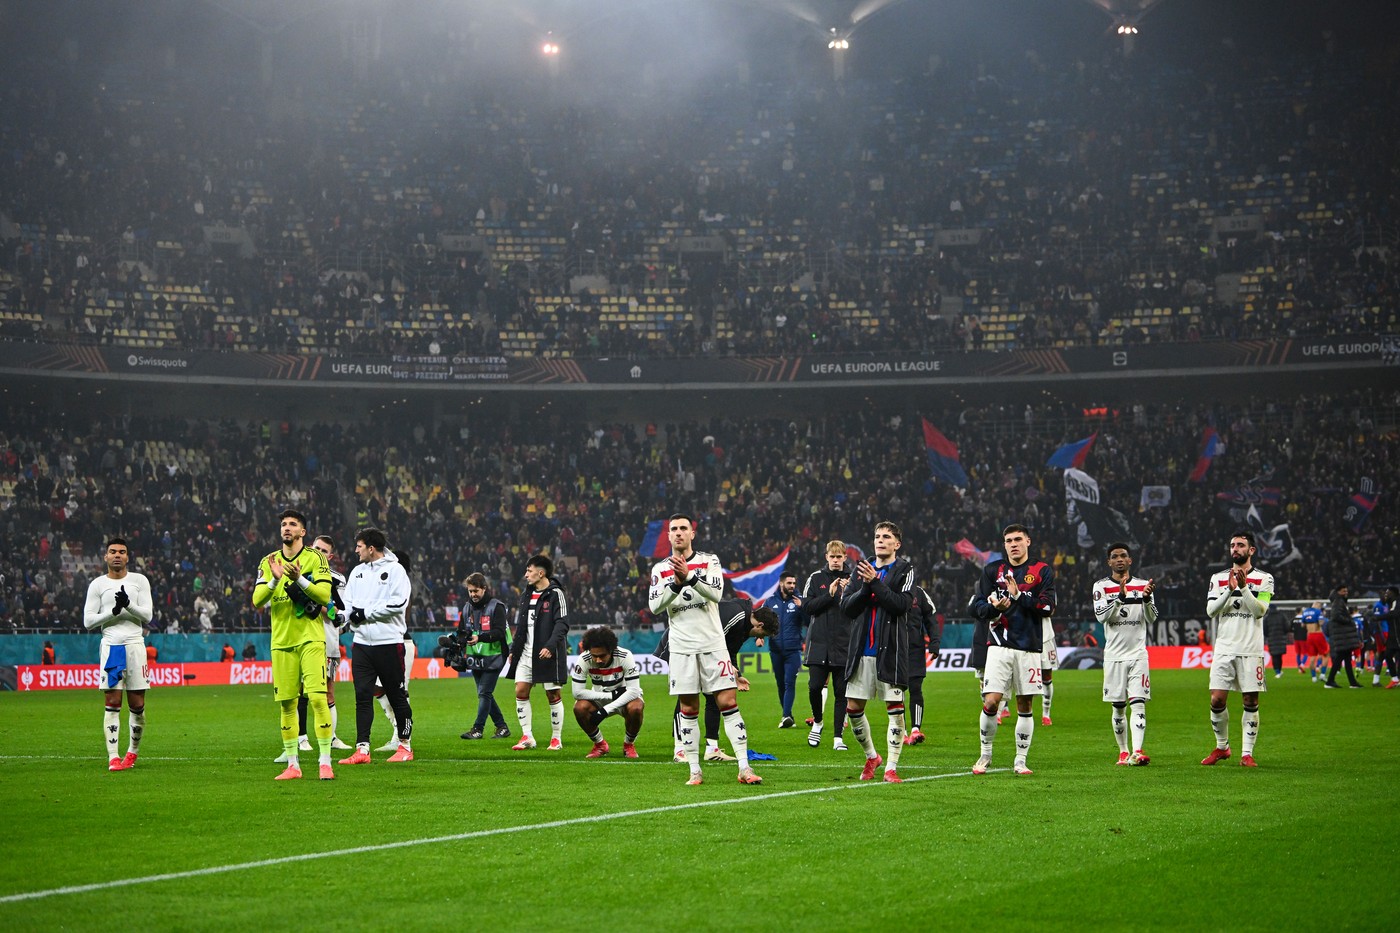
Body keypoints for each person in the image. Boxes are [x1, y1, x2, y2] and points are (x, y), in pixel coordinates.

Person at [648, 513, 762, 786]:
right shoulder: (659, 569)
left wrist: (688, 577)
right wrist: (676, 583)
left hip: (712, 644)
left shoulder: (709, 561)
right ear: (668, 536)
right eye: (673, 529)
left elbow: (716, 594)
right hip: (682, 647)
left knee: (728, 703)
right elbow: (655, 606)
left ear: (692, 533)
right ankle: (695, 771)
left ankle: (745, 768)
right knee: (688, 708)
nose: (678, 533)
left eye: (683, 528)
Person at [252, 509, 335, 780]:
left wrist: (298, 577)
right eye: (284, 524)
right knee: (287, 704)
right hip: (281, 641)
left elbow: (324, 595)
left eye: (293, 524)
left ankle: (325, 761)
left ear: (303, 532)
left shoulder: (315, 558)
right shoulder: (268, 561)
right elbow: (257, 600)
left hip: (310, 638)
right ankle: (293, 765)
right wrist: (275, 578)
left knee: (317, 698)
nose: (287, 528)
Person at [969, 523, 1056, 776]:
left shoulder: (1042, 571)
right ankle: (985, 754)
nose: (1013, 544)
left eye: (1018, 539)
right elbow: (975, 608)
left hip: (1029, 646)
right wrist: (995, 608)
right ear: (1004, 544)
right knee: (992, 701)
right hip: (998, 645)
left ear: (1028, 541)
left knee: (1025, 703)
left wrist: (1019, 597)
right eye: (1008, 540)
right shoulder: (992, 571)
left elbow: (1048, 608)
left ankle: (1020, 760)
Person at [839, 521, 916, 783]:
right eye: (877, 536)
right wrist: (866, 586)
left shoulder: (905, 570)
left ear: (897, 544)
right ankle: (872, 756)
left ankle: (891, 767)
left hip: (890, 651)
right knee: (853, 709)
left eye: (886, 537)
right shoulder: (861, 570)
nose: (880, 540)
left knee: (894, 709)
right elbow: (846, 607)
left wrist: (876, 584)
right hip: (861, 651)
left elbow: (901, 605)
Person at [660, 599, 779, 762]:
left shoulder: (743, 626)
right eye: (763, 634)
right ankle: (680, 749)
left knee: (715, 692)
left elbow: (730, 650)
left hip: (702, 648)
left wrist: (736, 674)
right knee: (687, 694)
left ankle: (712, 749)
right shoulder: (735, 615)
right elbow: (711, 636)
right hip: (681, 645)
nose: (760, 638)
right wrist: (727, 666)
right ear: (760, 625)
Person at [338, 527, 415, 765]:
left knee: (396, 696)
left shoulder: (395, 570)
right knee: (362, 695)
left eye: (359, 546)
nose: (356, 551)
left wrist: (366, 613)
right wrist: (342, 617)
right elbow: (349, 605)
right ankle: (362, 749)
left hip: (389, 643)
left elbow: (398, 603)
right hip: (361, 644)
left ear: (371, 548)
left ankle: (405, 746)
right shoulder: (357, 572)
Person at [277, 534, 352, 762]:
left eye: (324, 550)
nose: (319, 551)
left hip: (326, 640)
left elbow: (342, 614)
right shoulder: (293, 569)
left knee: (326, 691)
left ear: (330, 556)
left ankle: (331, 737)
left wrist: (322, 607)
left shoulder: (337, 579)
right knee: (296, 691)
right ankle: (299, 739)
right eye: (316, 547)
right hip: (296, 638)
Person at [1202, 531, 1275, 767]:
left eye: (1241, 545)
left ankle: (1246, 754)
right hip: (1224, 648)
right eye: (1232, 544)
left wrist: (1243, 588)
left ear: (1251, 550)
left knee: (1250, 700)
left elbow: (1260, 611)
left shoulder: (1265, 579)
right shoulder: (1217, 578)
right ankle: (1222, 747)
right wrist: (1229, 589)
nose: (1235, 549)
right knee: (1216, 699)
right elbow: (1211, 611)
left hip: (1251, 649)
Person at [82, 537, 154, 771]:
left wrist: (128, 605)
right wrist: (113, 613)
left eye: (121, 552)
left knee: (137, 703)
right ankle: (113, 756)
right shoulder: (97, 585)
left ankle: (131, 753)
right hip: (111, 647)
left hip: (135, 645)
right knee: (112, 701)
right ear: (105, 556)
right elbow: (88, 621)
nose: (117, 555)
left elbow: (148, 615)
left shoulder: (139, 581)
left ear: (127, 556)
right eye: (112, 551)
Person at [1092, 542, 1156, 766]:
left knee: (1138, 703)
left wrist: (1147, 599)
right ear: (1109, 562)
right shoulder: (1100, 587)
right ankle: (1123, 751)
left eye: (1123, 556)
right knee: (1118, 707)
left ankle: (1137, 751)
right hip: (1114, 656)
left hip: (1138, 654)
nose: (1119, 559)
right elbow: (1101, 617)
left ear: (1130, 561)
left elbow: (1152, 617)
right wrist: (1119, 598)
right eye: (1115, 556)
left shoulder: (1142, 585)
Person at [506, 554, 570, 751]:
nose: (526, 575)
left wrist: (550, 646)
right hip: (526, 652)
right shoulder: (526, 595)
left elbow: (562, 623)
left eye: (530, 571)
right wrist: (514, 650)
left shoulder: (556, 594)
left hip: (548, 652)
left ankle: (556, 738)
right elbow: (521, 625)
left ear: (541, 573)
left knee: (553, 694)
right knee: (520, 690)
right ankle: (527, 736)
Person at [801, 540, 853, 750]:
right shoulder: (815, 578)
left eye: (839, 557)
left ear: (845, 558)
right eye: (832, 557)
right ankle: (818, 722)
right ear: (826, 557)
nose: (835, 561)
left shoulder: (854, 579)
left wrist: (848, 593)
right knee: (814, 687)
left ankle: (838, 737)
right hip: (819, 644)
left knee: (841, 693)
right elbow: (806, 607)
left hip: (843, 643)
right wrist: (829, 595)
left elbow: (859, 608)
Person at [572, 626, 644, 758]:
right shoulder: (584, 659)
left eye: (602, 656)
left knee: (636, 707)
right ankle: (600, 745)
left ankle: (629, 745)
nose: (598, 660)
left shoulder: (625, 656)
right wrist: (610, 696)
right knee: (579, 707)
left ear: (611, 650)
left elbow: (634, 691)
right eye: (595, 656)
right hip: (601, 698)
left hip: (625, 698)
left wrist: (606, 710)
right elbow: (577, 693)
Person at [458, 572, 512, 740]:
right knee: (485, 693)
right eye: (470, 591)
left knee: (484, 693)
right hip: (476, 656)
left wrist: (479, 638)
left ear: (484, 589)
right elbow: (461, 631)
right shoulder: (466, 608)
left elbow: (499, 632)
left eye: (476, 591)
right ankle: (502, 727)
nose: (473, 595)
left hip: (495, 655)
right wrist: (457, 645)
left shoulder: (497, 606)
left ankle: (478, 729)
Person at [374, 551, 419, 751]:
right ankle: (396, 727)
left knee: (399, 690)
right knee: (377, 688)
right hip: (383, 642)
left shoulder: (402, 585)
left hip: (401, 642)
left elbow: (401, 614)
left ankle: (401, 736)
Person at [763, 571, 805, 728]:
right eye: (789, 583)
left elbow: (808, 620)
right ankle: (789, 717)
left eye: (794, 583)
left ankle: (786, 715)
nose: (792, 586)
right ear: (781, 584)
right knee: (780, 684)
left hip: (793, 650)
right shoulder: (770, 601)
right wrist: (758, 637)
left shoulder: (799, 601)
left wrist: (802, 608)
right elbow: (761, 621)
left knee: (789, 683)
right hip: (775, 650)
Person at [902, 585, 940, 746]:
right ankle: (900, 730)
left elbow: (930, 617)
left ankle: (915, 729)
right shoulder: (886, 588)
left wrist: (934, 643)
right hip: (892, 648)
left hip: (915, 648)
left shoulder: (918, 592)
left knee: (915, 687)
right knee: (896, 691)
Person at [1322, 585, 1362, 688]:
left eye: (1346, 591)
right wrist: (1348, 621)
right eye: (1343, 591)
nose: (1346, 593)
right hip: (1342, 635)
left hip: (1342, 635)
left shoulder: (1339, 601)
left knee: (1346, 658)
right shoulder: (1338, 602)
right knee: (1341, 658)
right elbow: (1336, 616)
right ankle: (1331, 681)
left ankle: (1351, 682)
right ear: (1338, 592)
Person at [1301, 601, 1328, 682]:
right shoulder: (1318, 611)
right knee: (1326, 654)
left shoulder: (1305, 612)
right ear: (1318, 606)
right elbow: (1321, 622)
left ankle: (1314, 677)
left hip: (1309, 635)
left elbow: (1302, 625)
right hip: (1318, 634)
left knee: (1312, 657)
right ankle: (1322, 674)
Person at [1263, 605, 1291, 679]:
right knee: (1279, 656)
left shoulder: (1267, 618)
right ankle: (1279, 671)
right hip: (1281, 639)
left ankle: (1277, 672)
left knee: (1274, 656)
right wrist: (1283, 633)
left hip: (1272, 639)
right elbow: (1287, 627)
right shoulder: (1282, 616)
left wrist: (1269, 635)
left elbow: (1264, 630)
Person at [1289, 607, 1310, 676]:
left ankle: (1299, 669)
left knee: (1298, 654)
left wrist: (1295, 631)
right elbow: (1308, 628)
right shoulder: (1305, 619)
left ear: (1296, 612)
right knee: (1306, 653)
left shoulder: (1293, 619)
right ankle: (1302, 664)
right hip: (1304, 638)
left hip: (1296, 638)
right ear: (1301, 611)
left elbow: (1289, 629)